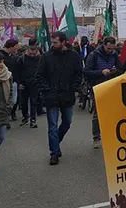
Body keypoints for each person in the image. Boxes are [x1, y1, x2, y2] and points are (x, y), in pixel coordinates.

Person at [37, 31, 83, 165]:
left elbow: (79, 73)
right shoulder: (46, 56)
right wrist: (46, 90)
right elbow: (39, 75)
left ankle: (56, 142)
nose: (53, 44)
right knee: (52, 126)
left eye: (56, 42)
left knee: (67, 122)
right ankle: (54, 152)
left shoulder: (73, 56)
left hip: (67, 95)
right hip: (51, 96)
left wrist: (74, 87)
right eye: (52, 42)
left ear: (63, 42)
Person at [84, 36, 121, 148]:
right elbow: (87, 72)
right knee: (98, 113)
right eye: (108, 48)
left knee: (113, 113)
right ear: (104, 45)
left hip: (111, 86)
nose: (110, 51)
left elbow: (121, 69)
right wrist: (101, 72)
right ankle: (96, 137)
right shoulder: (93, 55)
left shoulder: (114, 55)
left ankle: (110, 135)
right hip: (98, 87)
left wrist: (115, 71)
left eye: (112, 49)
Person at [18, 42, 42, 128]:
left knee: (33, 101)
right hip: (24, 83)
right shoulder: (22, 59)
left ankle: (33, 119)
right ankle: (25, 116)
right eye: (30, 53)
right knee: (23, 102)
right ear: (27, 51)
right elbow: (17, 71)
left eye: (34, 53)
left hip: (35, 83)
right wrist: (19, 82)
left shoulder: (40, 59)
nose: (32, 55)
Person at [0, 39, 20, 124]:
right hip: (3, 81)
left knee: (13, 100)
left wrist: (18, 81)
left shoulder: (14, 57)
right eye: (15, 46)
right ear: (11, 46)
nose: (17, 48)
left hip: (13, 81)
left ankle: (9, 113)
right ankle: (4, 118)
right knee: (4, 100)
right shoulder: (0, 56)